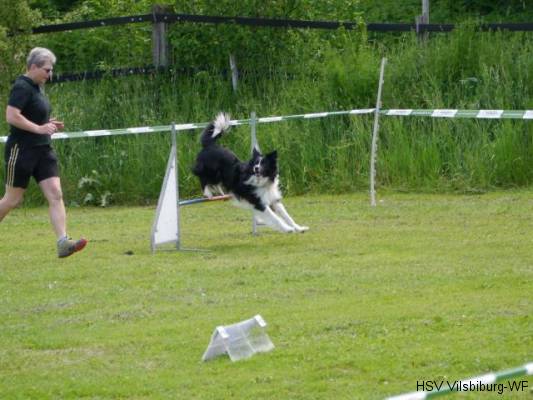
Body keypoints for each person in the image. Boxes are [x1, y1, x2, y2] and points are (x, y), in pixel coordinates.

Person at [0, 47, 87, 258]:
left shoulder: (38, 88)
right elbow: (12, 116)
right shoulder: (22, 86)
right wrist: (39, 128)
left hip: (43, 150)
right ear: (33, 67)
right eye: (47, 70)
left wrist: (48, 123)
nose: (50, 74)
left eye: (51, 70)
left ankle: (63, 243)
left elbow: (31, 115)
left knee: (56, 194)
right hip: (22, 150)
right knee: (12, 200)